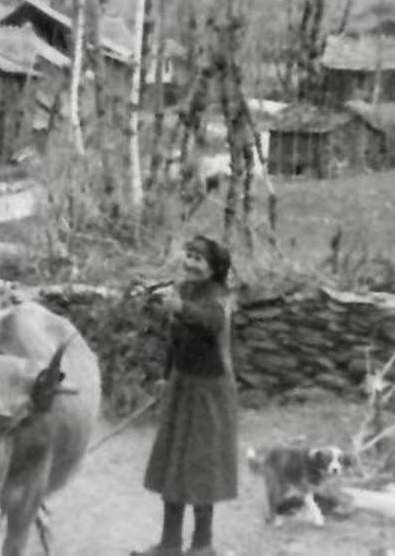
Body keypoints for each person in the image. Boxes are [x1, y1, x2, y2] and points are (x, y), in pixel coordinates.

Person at [133, 235, 238, 556]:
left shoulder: (220, 296)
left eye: (199, 259)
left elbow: (210, 322)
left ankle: (202, 545)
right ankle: (169, 544)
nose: (190, 263)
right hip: (182, 385)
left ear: (213, 267)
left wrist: (180, 307)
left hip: (210, 392)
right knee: (174, 464)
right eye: (189, 256)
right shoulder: (184, 291)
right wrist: (166, 377)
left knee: (202, 465)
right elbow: (176, 341)